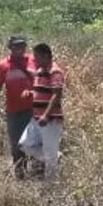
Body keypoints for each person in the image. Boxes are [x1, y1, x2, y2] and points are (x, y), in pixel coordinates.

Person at [0, 34, 36, 178]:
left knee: (36, 142)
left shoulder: (34, 61)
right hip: (14, 112)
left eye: (22, 46)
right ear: (10, 48)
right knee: (17, 145)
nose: (20, 49)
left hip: (35, 109)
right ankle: (20, 175)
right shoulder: (3, 66)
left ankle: (38, 176)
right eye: (16, 46)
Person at [24, 42, 65, 181]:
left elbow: (56, 94)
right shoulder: (40, 71)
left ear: (46, 56)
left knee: (50, 157)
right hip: (36, 118)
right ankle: (54, 156)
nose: (35, 60)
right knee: (24, 145)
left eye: (37, 57)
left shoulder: (55, 71)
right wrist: (30, 93)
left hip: (50, 119)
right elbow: (42, 91)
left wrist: (46, 115)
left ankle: (51, 187)